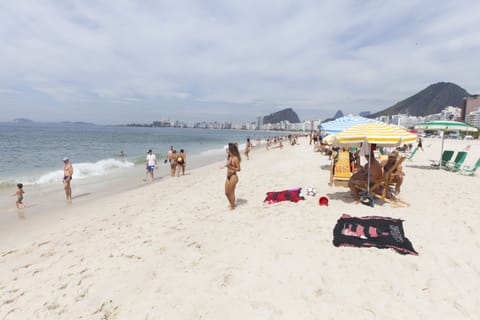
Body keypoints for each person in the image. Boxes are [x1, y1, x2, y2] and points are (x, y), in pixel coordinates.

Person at [225, 142, 241, 210]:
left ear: (230, 149)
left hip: (233, 176)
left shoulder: (235, 158)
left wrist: (230, 167)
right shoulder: (229, 157)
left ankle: (232, 206)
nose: (226, 149)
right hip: (228, 177)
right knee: (226, 193)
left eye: (228, 148)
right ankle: (232, 204)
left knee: (231, 193)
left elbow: (239, 169)